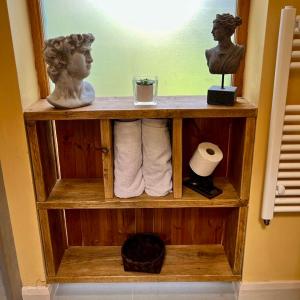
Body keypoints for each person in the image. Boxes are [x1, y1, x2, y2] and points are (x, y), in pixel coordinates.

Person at [44, 33, 95, 108]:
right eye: (84, 53)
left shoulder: (89, 92)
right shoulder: (56, 100)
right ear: (62, 59)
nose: (90, 59)